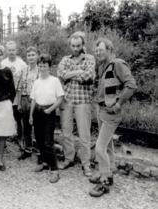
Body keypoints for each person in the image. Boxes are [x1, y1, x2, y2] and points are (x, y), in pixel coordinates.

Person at [89, 38, 137, 197]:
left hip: (111, 113)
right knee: (108, 147)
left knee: (99, 148)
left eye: (101, 50)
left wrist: (118, 104)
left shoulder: (118, 64)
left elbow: (131, 85)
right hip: (102, 111)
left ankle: (103, 183)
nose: (98, 53)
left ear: (109, 49)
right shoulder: (105, 66)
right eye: (96, 51)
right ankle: (108, 175)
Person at [57, 31, 96, 177]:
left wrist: (71, 74)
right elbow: (61, 75)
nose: (75, 48)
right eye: (73, 46)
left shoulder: (90, 58)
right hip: (67, 100)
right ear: (70, 45)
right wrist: (79, 71)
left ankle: (86, 164)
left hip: (83, 101)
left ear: (83, 45)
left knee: (84, 135)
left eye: (78, 45)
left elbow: (88, 76)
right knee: (66, 133)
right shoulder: (65, 59)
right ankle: (69, 159)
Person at [29, 54, 64, 183]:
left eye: (45, 65)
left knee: (48, 142)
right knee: (38, 140)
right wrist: (31, 115)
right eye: (40, 65)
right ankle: (44, 162)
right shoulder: (37, 82)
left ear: (49, 67)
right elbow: (33, 99)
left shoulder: (55, 81)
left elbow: (60, 98)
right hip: (37, 111)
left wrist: (50, 109)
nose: (42, 68)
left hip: (49, 112)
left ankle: (55, 170)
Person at [14, 46, 40, 161]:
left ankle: (40, 152)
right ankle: (28, 150)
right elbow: (19, 88)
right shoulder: (23, 71)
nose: (31, 57)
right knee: (26, 127)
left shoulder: (41, 70)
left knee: (38, 127)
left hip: (38, 101)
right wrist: (19, 103)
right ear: (26, 57)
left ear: (37, 56)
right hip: (25, 99)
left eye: (33, 55)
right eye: (29, 55)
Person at [1, 41, 27, 150]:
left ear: (16, 50)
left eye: (13, 50)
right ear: (6, 51)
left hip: (18, 95)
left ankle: (20, 139)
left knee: (19, 119)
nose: (11, 52)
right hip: (6, 96)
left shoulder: (22, 64)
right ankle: (4, 141)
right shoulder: (3, 63)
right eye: (9, 50)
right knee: (5, 118)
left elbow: (25, 79)